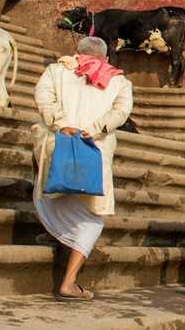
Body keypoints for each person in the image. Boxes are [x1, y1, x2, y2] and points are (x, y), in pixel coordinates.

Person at [32, 35, 133, 299]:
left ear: (76, 52)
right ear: (106, 58)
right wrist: (94, 129)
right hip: (94, 148)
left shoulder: (56, 70)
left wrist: (62, 123)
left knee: (50, 190)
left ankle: (55, 234)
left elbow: (44, 98)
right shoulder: (119, 81)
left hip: (57, 142)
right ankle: (69, 282)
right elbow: (121, 113)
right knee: (93, 216)